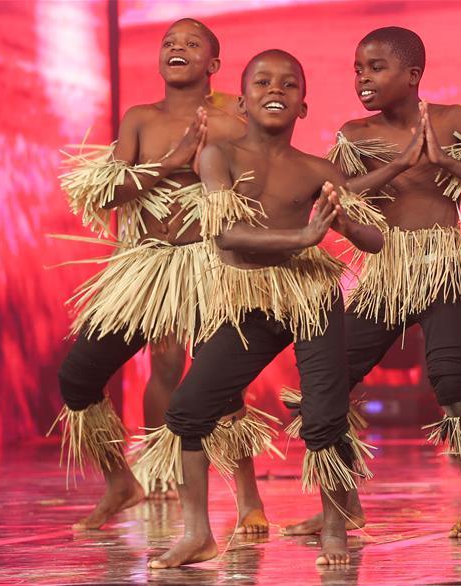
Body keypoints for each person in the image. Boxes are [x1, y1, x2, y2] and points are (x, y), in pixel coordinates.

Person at [285, 26, 461, 539]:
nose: (363, 79)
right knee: (328, 382)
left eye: (376, 68)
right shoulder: (355, 133)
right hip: (388, 270)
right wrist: (398, 164)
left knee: (451, 383)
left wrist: (444, 160)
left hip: (444, 262)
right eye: (358, 69)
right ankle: (345, 502)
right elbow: (337, 193)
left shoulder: (454, 119)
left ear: (413, 75)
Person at [138, 49, 385, 568]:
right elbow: (227, 234)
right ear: (242, 102)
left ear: (304, 106)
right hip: (250, 299)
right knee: (186, 412)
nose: (277, 89)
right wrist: (303, 235)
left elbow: (374, 239)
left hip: (311, 296)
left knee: (324, 417)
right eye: (264, 82)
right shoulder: (218, 156)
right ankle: (198, 534)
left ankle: (336, 529)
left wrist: (342, 225)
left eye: (290, 84)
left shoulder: (317, 169)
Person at [52, 18, 280, 531]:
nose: (177, 48)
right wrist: (172, 161)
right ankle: (120, 481)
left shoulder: (230, 126)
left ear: (213, 66)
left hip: (208, 266)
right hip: (144, 268)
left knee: (221, 384)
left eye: (191, 43)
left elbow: (258, 194)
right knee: (77, 377)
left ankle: (248, 500)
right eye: (169, 42)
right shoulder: (139, 119)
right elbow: (106, 194)